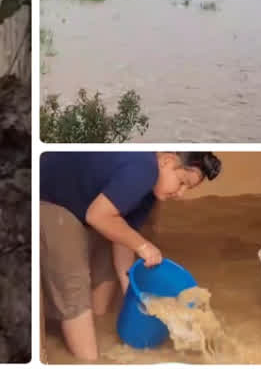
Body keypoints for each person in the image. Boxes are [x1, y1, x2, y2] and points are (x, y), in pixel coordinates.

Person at [40, 151, 222, 361]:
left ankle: (88, 326)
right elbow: (97, 216)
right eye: (182, 182)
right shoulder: (143, 167)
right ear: (167, 161)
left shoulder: (149, 193)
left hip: (83, 205)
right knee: (74, 283)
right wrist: (144, 246)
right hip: (46, 200)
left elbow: (123, 236)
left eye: (187, 188)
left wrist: (133, 291)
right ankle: (89, 361)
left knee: (101, 305)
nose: (181, 193)